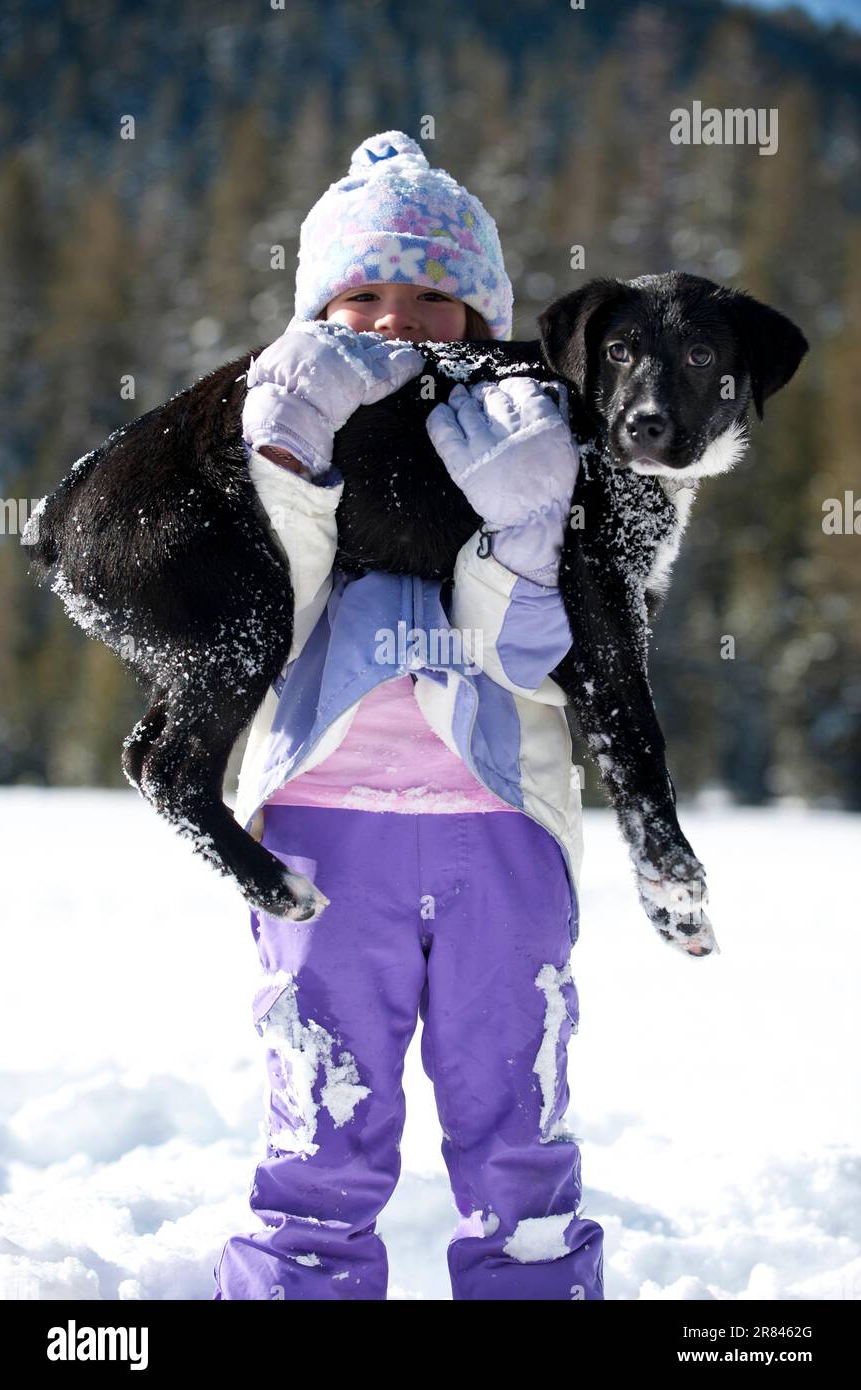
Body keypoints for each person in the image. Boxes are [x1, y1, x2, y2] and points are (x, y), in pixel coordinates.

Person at [212, 130, 604, 1301]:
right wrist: (287, 457)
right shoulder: (276, 432)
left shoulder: (534, 439)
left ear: (484, 321)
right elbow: (253, 620)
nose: (394, 322)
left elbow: (543, 657)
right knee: (322, 1118)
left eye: (434, 299)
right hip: (321, 835)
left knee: (514, 1119)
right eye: (362, 294)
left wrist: (527, 520)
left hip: (502, 824)